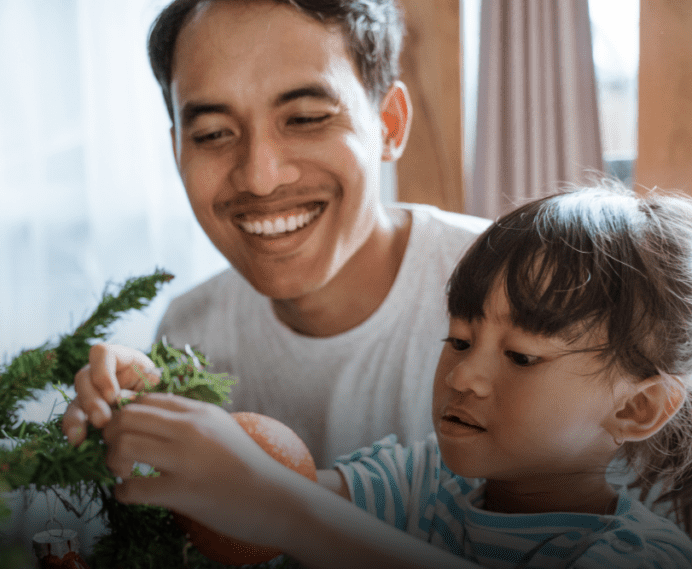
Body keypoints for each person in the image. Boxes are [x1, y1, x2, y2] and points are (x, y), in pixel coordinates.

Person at [99, 184, 692, 569]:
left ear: (637, 410)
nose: (464, 376)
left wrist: (282, 509)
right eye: (458, 340)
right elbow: (276, 482)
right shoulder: (420, 480)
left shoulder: (653, 568)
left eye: (520, 357)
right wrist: (157, 405)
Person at [63, 0, 490, 467]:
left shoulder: (515, 299)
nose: (259, 178)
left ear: (389, 124)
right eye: (212, 134)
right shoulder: (190, 338)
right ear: (177, 150)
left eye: (306, 118)